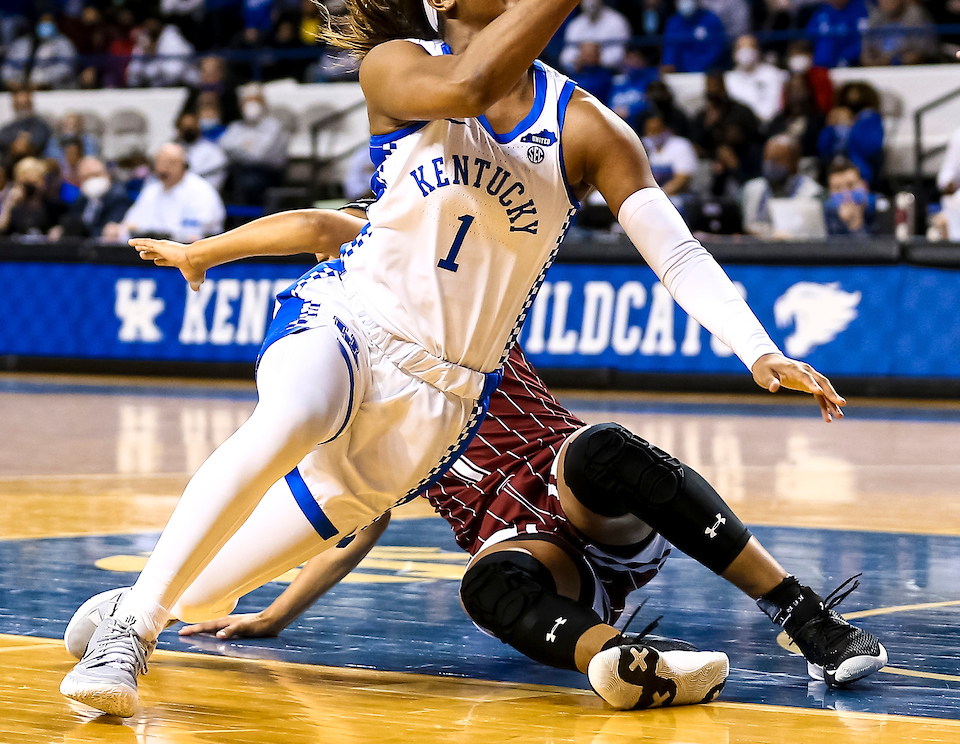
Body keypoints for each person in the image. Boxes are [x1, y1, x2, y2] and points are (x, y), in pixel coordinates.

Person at [62, 0, 846, 719]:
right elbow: (467, 87)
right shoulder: (398, 64)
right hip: (351, 325)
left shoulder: (587, 127)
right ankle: (132, 634)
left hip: (441, 402)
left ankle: (136, 604)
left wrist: (757, 348)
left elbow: (676, 252)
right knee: (289, 414)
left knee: (200, 596)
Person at [67, 208, 883, 706]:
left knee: (598, 451)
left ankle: (804, 614)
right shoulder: (357, 395)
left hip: (571, 487)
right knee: (485, 584)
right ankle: (629, 664)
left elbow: (323, 229)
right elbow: (359, 518)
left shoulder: (440, 300)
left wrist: (206, 250)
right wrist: (279, 612)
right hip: (525, 544)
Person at [102, 143, 224, 244]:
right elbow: (131, 224)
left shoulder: (201, 190)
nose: (163, 169)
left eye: (170, 163)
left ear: (184, 165)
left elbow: (200, 232)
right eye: (160, 163)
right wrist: (118, 230)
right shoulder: (151, 190)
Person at [217, 85, 289, 204]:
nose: (251, 105)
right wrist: (246, 148)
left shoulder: (274, 126)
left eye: (255, 100)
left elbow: (259, 155)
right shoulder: (236, 127)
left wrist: (238, 149)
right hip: (237, 172)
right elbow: (222, 147)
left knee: (249, 181)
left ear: (263, 103)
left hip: (267, 173)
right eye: (247, 101)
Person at [741, 136, 823, 238]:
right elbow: (748, 227)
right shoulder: (752, 189)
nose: (770, 163)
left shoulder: (812, 192)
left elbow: (810, 231)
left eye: (777, 159)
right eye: (767, 158)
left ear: (794, 163)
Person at [660, 0, 726, 73]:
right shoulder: (673, 23)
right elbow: (669, 51)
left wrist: (698, 68)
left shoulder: (711, 19)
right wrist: (668, 66)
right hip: (680, 75)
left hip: (706, 73)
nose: (685, 0)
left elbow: (716, 49)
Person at [559, 0, 631, 72]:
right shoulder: (575, 25)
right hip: (582, 73)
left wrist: (597, 58)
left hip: (611, 74)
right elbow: (566, 57)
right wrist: (580, 59)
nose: (590, 3)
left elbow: (619, 54)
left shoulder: (616, 21)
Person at [805, 0, 869, 69]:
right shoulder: (820, 13)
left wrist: (847, 58)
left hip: (851, 66)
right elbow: (808, 39)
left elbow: (863, 40)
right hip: (821, 69)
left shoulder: (859, 12)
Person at [59, 156, 132, 239]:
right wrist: (62, 231)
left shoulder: (119, 199)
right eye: (86, 177)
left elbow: (105, 230)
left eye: (95, 175)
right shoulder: (81, 201)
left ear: (106, 175)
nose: (91, 180)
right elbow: (72, 222)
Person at [723, 35, 787, 126]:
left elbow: (776, 104)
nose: (746, 52)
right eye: (741, 48)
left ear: (758, 51)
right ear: (734, 54)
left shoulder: (773, 74)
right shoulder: (728, 78)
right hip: (740, 127)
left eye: (750, 47)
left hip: (770, 124)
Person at [0, 155, 64, 238]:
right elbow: (2, 228)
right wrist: (9, 204)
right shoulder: (11, 201)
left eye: (34, 182)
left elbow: (59, 226)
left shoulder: (51, 204)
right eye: (26, 182)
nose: (30, 188)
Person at [640, 112, 698, 199]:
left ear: (666, 129)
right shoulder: (644, 145)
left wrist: (659, 196)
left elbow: (682, 179)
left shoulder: (680, 145)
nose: (653, 135)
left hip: (676, 197)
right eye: (650, 131)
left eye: (657, 130)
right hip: (651, 197)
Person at [175, 110, 227, 192]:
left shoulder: (212, 150)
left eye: (191, 127)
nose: (188, 130)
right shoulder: (172, 150)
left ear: (198, 127)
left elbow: (217, 177)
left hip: (203, 192)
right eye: (185, 127)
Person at [824, 157, 876, 237]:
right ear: (830, 193)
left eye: (850, 185)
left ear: (864, 186)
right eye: (838, 189)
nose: (846, 195)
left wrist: (856, 224)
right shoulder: (826, 217)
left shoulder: (879, 210)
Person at [0, 88, 52, 160]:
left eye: (25, 104)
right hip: (9, 163)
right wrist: (17, 142)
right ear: (14, 106)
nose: (22, 108)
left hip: (36, 160)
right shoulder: (7, 128)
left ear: (31, 104)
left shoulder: (41, 125)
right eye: (19, 105)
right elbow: (3, 140)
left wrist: (26, 143)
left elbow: (41, 139)